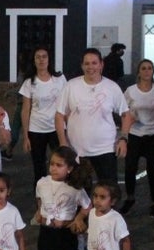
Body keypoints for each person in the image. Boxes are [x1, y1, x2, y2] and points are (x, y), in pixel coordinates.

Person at [55, 48, 132, 182]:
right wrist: (63, 143)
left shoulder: (112, 87)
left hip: (106, 149)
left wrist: (123, 138)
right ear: (82, 66)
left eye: (94, 63)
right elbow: (59, 115)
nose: (91, 67)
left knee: (108, 191)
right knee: (79, 193)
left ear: (101, 64)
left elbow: (126, 114)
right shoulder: (70, 86)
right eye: (87, 63)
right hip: (77, 150)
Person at [121, 58, 154, 216]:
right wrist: (129, 118)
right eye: (144, 68)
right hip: (135, 134)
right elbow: (122, 110)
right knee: (130, 167)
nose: (147, 71)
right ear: (139, 72)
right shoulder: (131, 90)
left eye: (150, 68)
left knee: (153, 169)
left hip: (153, 133)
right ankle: (130, 197)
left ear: (153, 71)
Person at [18, 47, 67, 187]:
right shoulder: (29, 82)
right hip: (36, 129)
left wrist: (68, 128)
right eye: (38, 57)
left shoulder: (60, 79)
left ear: (49, 59)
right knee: (39, 166)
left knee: (61, 162)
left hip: (56, 128)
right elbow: (25, 110)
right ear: (34, 61)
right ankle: (41, 199)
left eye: (44, 56)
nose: (41, 60)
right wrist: (26, 136)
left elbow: (67, 104)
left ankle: (61, 191)